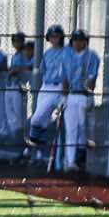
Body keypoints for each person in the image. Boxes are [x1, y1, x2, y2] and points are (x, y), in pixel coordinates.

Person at [22, 25, 70, 165]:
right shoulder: (47, 53)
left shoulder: (67, 52)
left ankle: (32, 150)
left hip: (60, 87)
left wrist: (66, 92)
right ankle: (37, 152)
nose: (54, 38)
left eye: (57, 36)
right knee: (39, 120)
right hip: (47, 87)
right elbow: (43, 70)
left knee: (51, 120)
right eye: (52, 36)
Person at [63, 29, 101, 171]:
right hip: (71, 95)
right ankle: (70, 161)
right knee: (71, 129)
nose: (77, 43)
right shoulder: (68, 55)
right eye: (75, 40)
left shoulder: (92, 56)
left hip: (84, 95)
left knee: (83, 128)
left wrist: (89, 93)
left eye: (80, 40)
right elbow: (65, 77)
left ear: (86, 42)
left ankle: (81, 159)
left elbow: (92, 80)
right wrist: (64, 97)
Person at [6, 32, 34, 134]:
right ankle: (15, 133)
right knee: (9, 112)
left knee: (19, 113)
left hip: (19, 86)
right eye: (14, 41)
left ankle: (21, 134)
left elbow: (29, 66)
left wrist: (16, 69)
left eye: (19, 41)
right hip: (10, 85)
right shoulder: (15, 55)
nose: (16, 43)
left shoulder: (24, 54)